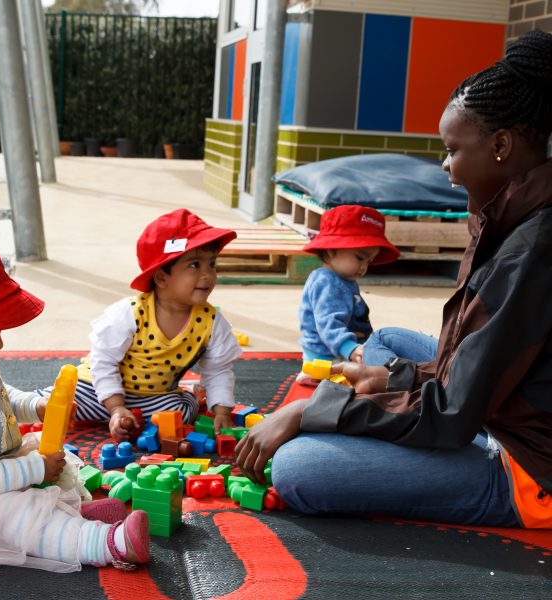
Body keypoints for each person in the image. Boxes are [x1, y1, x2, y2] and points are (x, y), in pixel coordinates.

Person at [236, 29, 552, 528]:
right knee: (386, 342)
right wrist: (396, 378)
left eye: (452, 149)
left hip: (528, 464)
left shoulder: (529, 252)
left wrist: (312, 411)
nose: (446, 167)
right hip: (495, 406)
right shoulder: (513, 214)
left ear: (500, 145)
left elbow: (452, 413)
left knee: (298, 468)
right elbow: (474, 370)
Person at [0, 243, 150, 572]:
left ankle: (72, 516)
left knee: (60, 457)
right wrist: (34, 469)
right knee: (18, 516)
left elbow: (4, 399)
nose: (0, 344)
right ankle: (105, 543)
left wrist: (37, 406)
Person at [69, 208, 242, 442]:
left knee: (183, 412)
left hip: (153, 396)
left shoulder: (212, 323)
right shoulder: (129, 313)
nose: (208, 275)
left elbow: (218, 369)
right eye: (194, 266)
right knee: (65, 403)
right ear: (161, 278)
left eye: (211, 265)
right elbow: (104, 361)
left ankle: (138, 415)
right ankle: (31, 401)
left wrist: (221, 411)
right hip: (98, 388)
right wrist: (116, 407)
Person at [297, 205, 400, 384]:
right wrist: (350, 349)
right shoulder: (326, 282)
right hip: (327, 355)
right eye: (360, 258)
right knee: (373, 380)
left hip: (346, 349)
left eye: (369, 261)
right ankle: (317, 373)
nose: (364, 267)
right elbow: (328, 324)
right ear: (331, 250)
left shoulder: (343, 279)